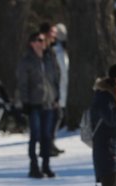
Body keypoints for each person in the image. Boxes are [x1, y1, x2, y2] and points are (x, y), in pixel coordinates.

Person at [16, 31, 60, 178]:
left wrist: (56, 96)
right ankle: (34, 166)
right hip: (34, 103)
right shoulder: (26, 61)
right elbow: (23, 83)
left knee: (47, 136)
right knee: (35, 136)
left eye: (43, 40)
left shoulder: (49, 59)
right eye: (38, 40)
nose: (41, 43)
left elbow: (55, 78)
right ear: (32, 43)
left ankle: (46, 165)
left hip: (49, 103)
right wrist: (25, 102)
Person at [49, 23, 69, 156]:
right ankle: (49, 143)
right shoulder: (55, 51)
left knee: (57, 116)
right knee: (55, 116)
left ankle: (51, 141)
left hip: (62, 87)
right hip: (55, 89)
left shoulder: (62, 50)